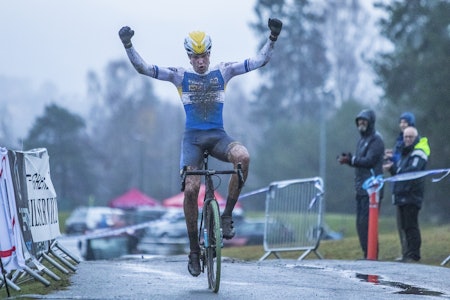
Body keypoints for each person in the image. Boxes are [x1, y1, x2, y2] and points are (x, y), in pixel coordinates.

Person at [118, 18, 283, 276]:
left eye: (204, 55)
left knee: (243, 157)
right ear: (189, 57)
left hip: (218, 137)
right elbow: (144, 69)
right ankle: (194, 251)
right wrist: (128, 45)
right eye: (195, 57)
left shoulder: (224, 71)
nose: (201, 61)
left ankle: (226, 215)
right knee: (191, 189)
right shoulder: (179, 75)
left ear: (210, 53)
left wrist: (272, 38)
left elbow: (259, 61)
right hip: (192, 141)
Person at [338, 109, 385, 259]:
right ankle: (367, 254)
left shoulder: (376, 140)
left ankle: (372, 256)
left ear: (370, 122)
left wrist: (352, 160)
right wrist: (349, 159)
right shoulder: (361, 141)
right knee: (360, 224)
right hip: (361, 188)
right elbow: (359, 162)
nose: (361, 123)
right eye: (359, 121)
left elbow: (369, 161)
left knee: (368, 224)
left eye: (364, 120)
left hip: (372, 189)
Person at [383, 126, 430, 262]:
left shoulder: (418, 152)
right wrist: (392, 168)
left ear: (416, 138)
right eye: (405, 137)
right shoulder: (404, 153)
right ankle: (407, 254)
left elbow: (412, 171)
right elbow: (399, 171)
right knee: (404, 226)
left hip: (412, 195)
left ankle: (414, 255)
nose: (408, 139)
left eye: (410, 137)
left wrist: (394, 168)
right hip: (401, 194)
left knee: (411, 225)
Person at [383, 111, 416, 261]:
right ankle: (404, 252)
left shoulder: (414, 143)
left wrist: (393, 158)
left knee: (409, 224)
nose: (402, 125)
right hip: (398, 187)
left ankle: (411, 253)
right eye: (401, 122)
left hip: (409, 190)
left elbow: (406, 161)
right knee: (400, 224)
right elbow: (399, 160)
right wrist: (391, 159)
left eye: (405, 122)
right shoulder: (399, 141)